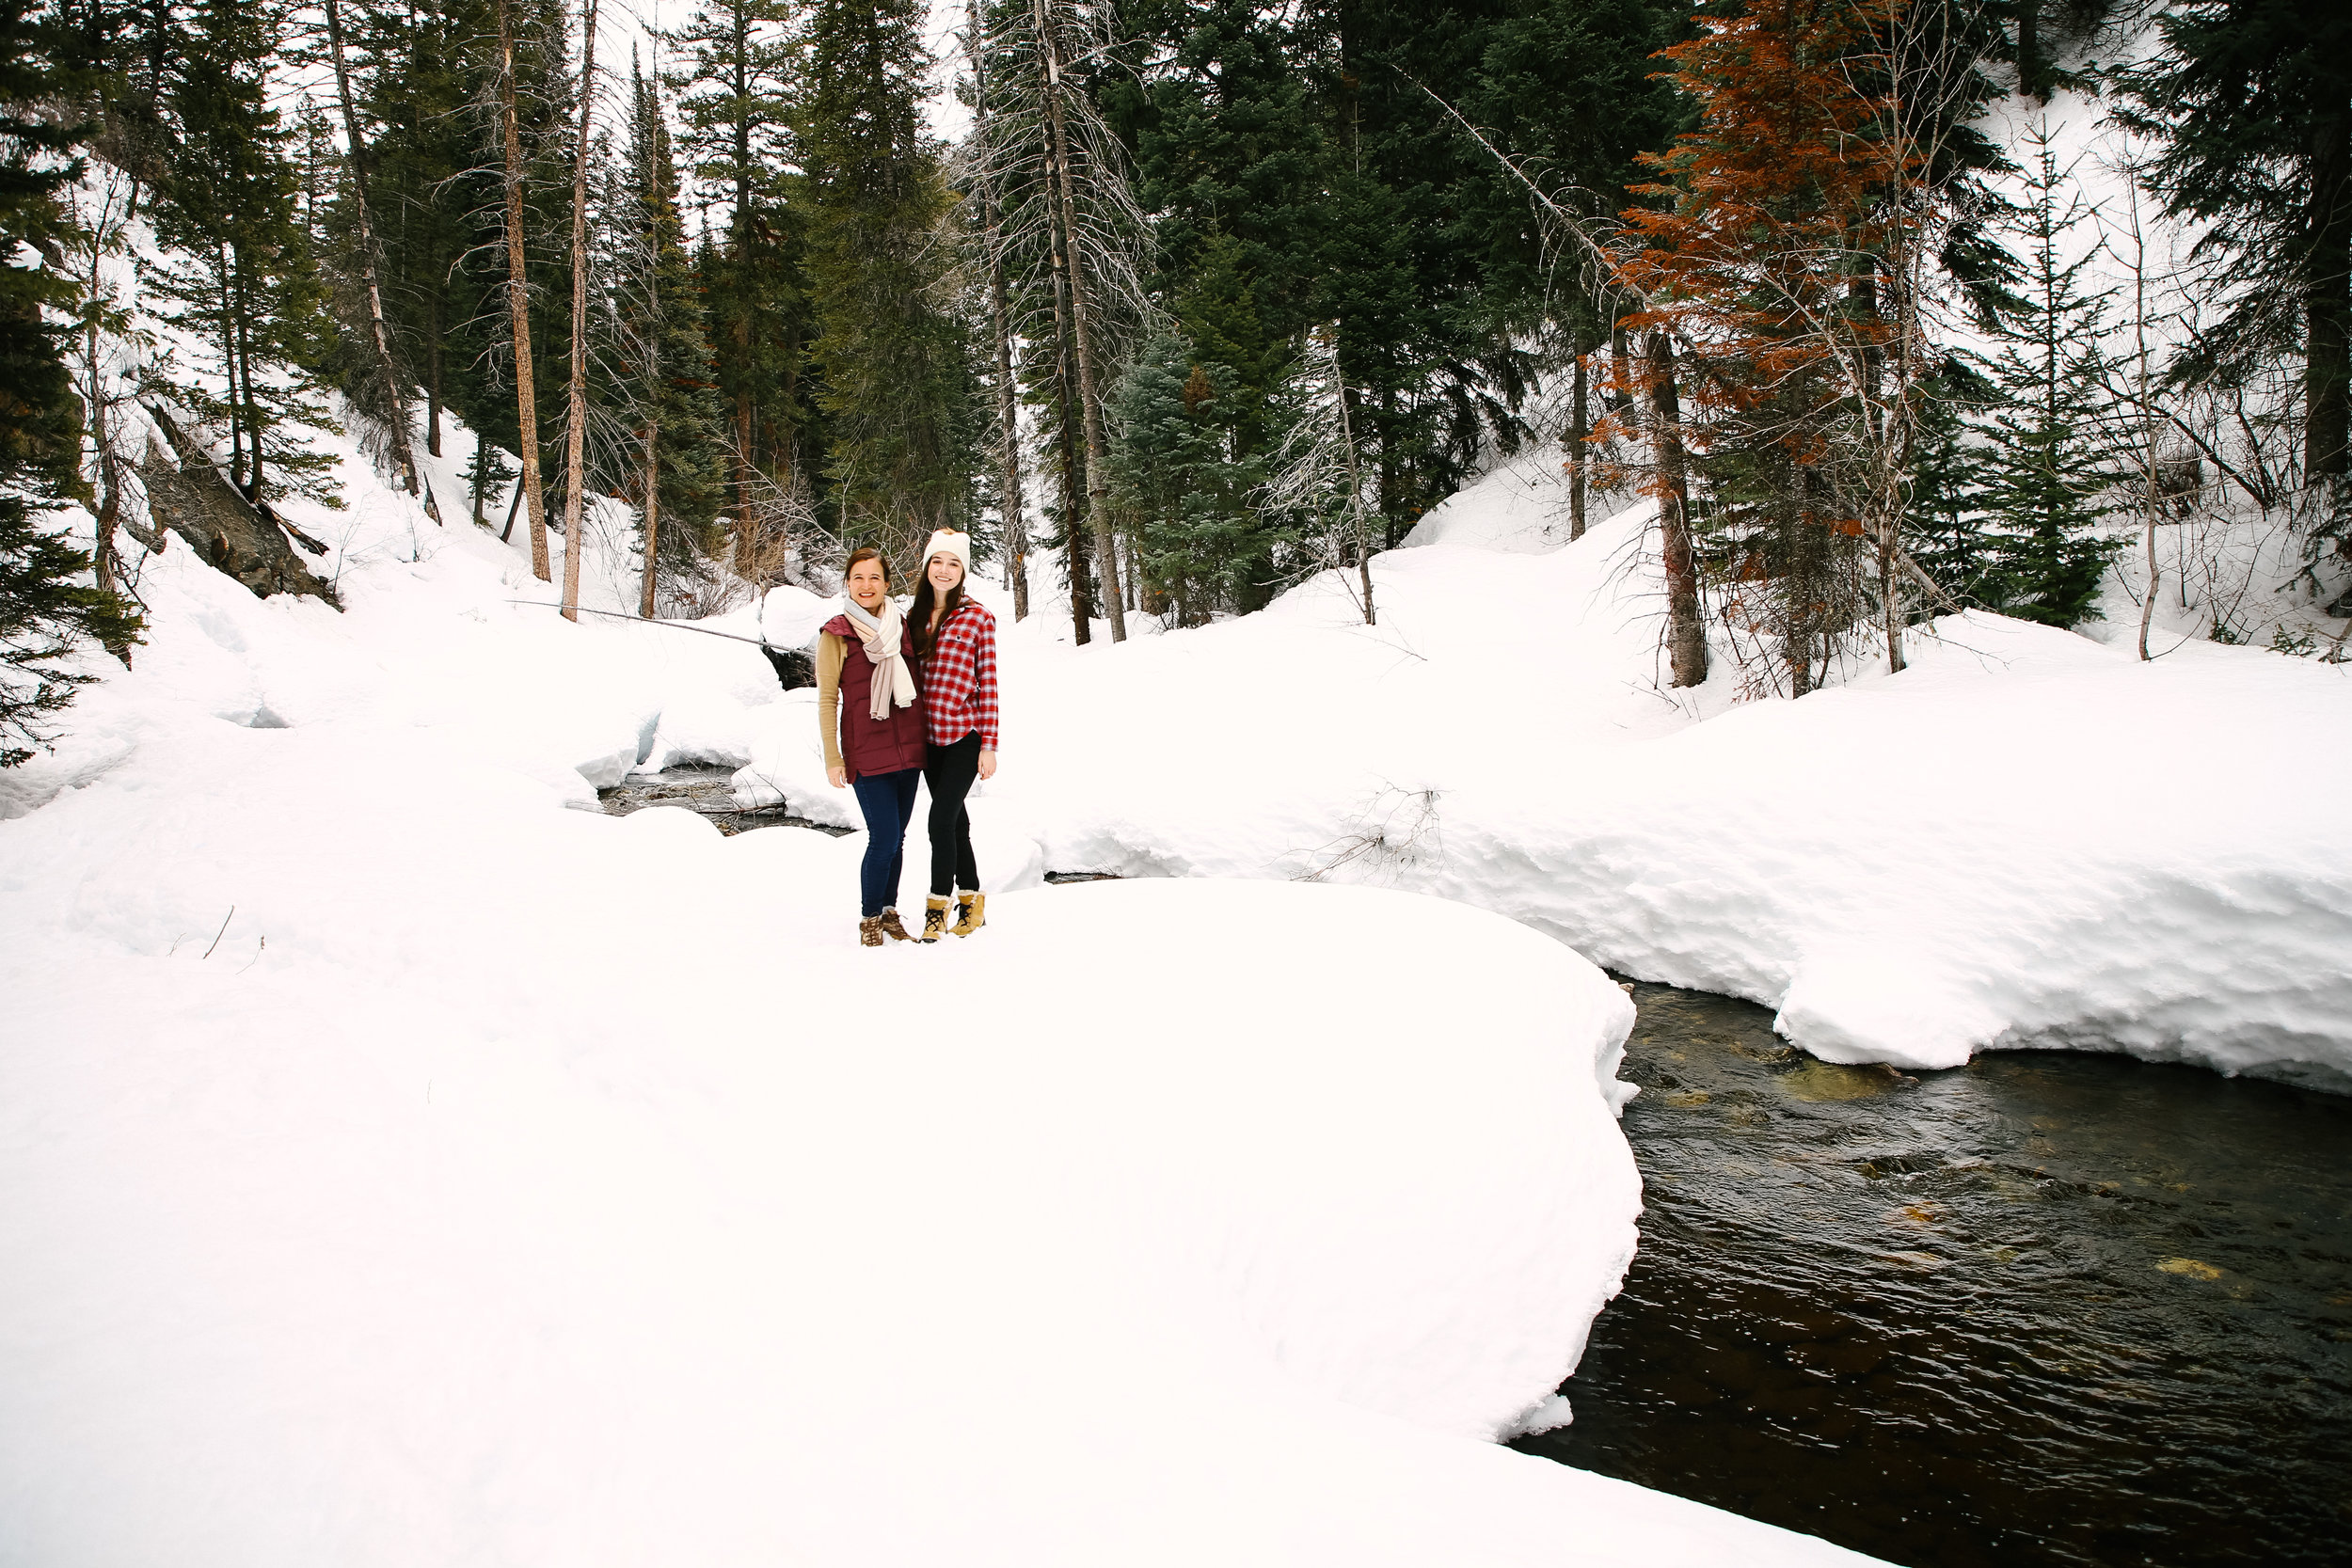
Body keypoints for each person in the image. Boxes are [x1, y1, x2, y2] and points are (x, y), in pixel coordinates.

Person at [817, 546, 928, 946]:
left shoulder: (903, 626)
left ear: (886, 583)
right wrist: (834, 757)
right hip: (866, 751)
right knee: (882, 837)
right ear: (848, 583)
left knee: (897, 838)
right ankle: (869, 916)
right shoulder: (837, 634)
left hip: (910, 749)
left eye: (874, 578)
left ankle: (889, 911)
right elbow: (828, 698)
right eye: (858, 578)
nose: (867, 586)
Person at [907, 529, 997, 942]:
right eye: (938, 562)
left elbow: (989, 683)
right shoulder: (912, 617)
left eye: (954, 563)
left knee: (939, 820)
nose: (944, 570)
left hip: (964, 737)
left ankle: (936, 905)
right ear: (927, 567)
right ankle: (973, 902)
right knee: (956, 824)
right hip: (925, 738)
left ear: (962, 571)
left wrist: (990, 745)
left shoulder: (979, 618)